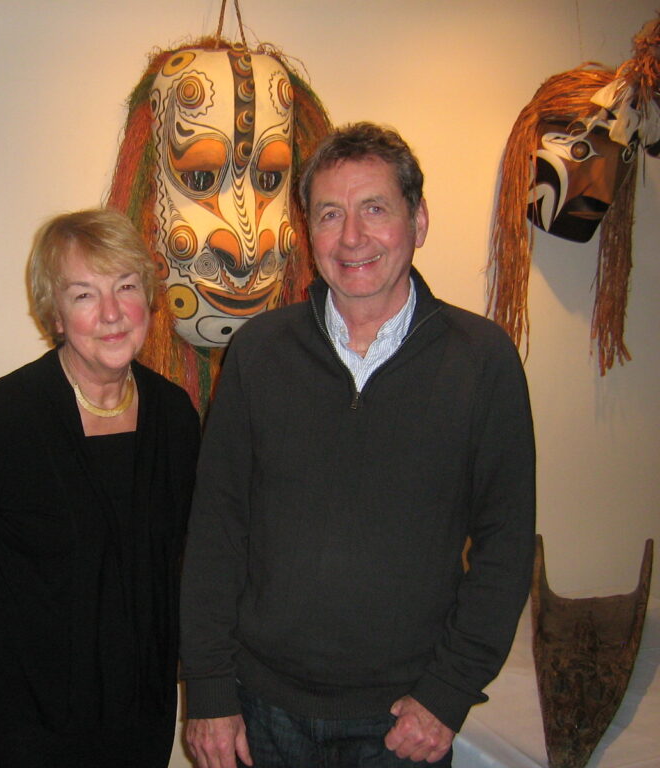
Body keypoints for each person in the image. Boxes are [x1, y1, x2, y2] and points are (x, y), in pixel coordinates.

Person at [179, 123, 536, 768]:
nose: (352, 238)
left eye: (375, 209)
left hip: (406, 719)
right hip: (263, 711)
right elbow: (216, 531)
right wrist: (206, 689)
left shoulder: (482, 361)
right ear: (306, 231)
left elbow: (506, 545)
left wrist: (449, 694)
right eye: (330, 215)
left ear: (418, 220)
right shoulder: (258, 352)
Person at [0, 209, 200, 768]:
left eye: (126, 287)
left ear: (149, 297)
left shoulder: (175, 416)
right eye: (84, 295)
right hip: (26, 729)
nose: (113, 314)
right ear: (53, 313)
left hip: (139, 722)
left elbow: (188, 558)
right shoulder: (1, 420)